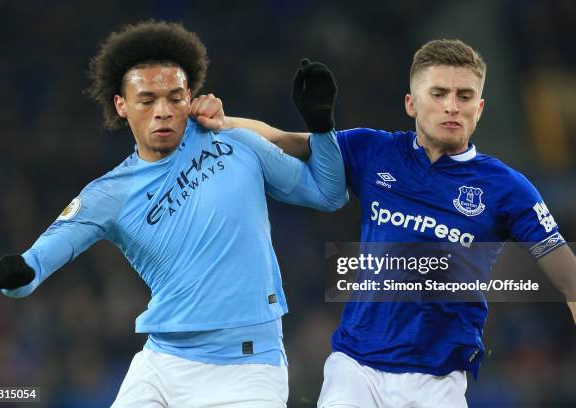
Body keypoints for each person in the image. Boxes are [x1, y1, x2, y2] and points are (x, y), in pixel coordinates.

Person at [191, 39, 576, 407]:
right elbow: (284, 139)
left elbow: (569, 279)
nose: (452, 107)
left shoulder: (507, 188)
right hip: (356, 366)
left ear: (480, 108)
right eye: (438, 94)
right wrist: (223, 122)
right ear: (411, 103)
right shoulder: (374, 151)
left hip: (437, 379)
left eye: (464, 96)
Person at [0, 20, 348, 408]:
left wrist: (321, 126)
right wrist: (19, 274)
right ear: (121, 105)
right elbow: (36, 263)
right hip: (162, 364)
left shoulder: (235, 140)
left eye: (175, 98)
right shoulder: (109, 193)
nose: (163, 112)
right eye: (147, 100)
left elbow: (329, 193)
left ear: (190, 96)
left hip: (248, 368)